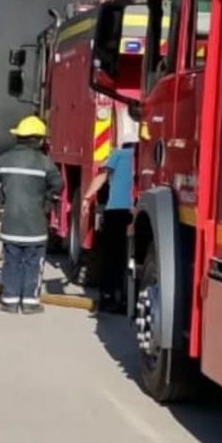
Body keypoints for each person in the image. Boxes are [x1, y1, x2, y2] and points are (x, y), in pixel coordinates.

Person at [0, 115, 63, 315]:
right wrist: (47, 202)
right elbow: (58, 185)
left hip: (11, 225)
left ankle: (9, 301)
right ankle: (30, 302)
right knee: (34, 264)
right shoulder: (45, 163)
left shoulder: (4, 159)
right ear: (40, 139)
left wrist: (3, 198)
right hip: (35, 227)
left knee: (11, 262)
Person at [82, 113, 138, 313]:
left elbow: (102, 176)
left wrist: (87, 198)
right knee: (127, 257)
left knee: (112, 256)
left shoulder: (118, 155)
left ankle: (108, 297)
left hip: (116, 211)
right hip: (137, 212)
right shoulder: (144, 158)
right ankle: (125, 298)